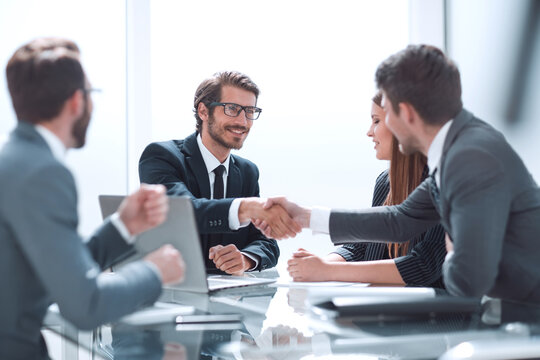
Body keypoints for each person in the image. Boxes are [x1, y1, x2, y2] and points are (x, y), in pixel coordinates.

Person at [258, 45, 540, 304]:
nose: (382, 125)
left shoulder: (470, 157)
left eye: (387, 113)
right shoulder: (460, 148)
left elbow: (467, 280)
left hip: (523, 325)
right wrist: (303, 216)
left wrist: (453, 249)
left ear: (406, 112)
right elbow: (401, 219)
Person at [0, 38, 185, 359]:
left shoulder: (15, 162)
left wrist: (124, 225)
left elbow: (53, 272)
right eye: (91, 94)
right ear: (76, 101)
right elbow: (85, 304)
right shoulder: (44, 173)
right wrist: (154, 271)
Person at [139, 71, 300, 275]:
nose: (243, 122)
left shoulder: (247, 171)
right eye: (232, 109)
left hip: (230, 299)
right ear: (204, 111)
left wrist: (245, 259)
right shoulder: (162, 156)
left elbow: (266, 242)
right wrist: (247, 207)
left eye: (250, 111)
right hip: (172, 294)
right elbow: (183, 212)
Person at [287, 92, 446, 286]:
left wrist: (326, 270)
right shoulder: (385, 182)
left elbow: (423, 266)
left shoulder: (443, 181)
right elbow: (363, 248)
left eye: (376, 121)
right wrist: (319, 264)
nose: (369, 132)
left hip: (436, 311)